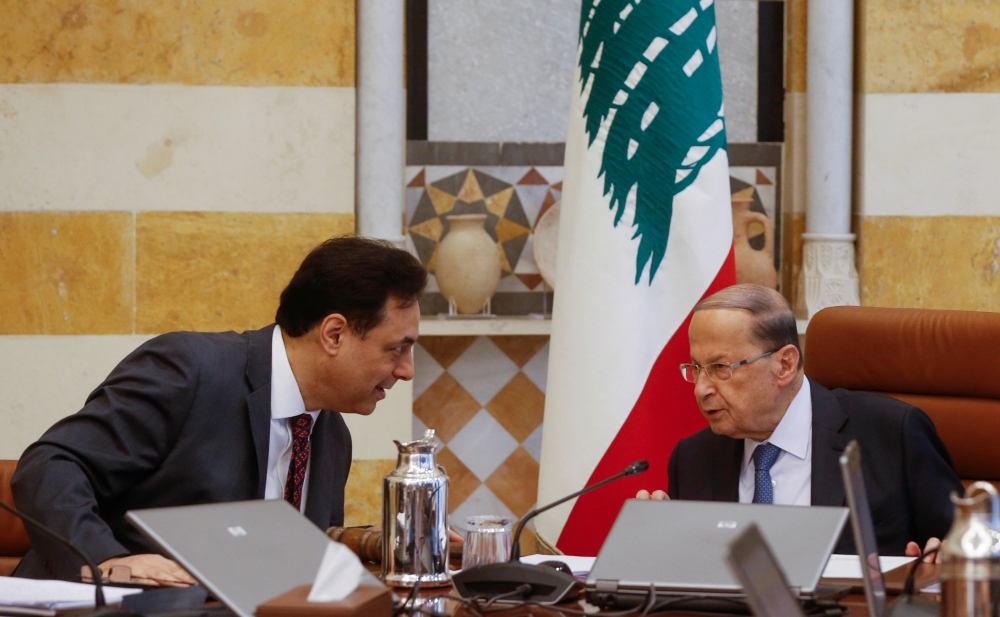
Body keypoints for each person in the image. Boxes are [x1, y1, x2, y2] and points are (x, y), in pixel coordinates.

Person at [11, 236, 426, 584]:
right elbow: (51, 464)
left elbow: (290, 553)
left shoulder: (331, 433)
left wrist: (388, 543)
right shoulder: (189, 370)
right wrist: (104, 561)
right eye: (398, 348)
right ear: (334, 334)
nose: (406, 371)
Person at [637, 284, 962, 559]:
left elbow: (981, 545)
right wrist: (666, 544)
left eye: (721, 368)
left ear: (784, 364)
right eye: (695, 369)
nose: (701, 389)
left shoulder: (891, 433)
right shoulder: (693, 459)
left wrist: (952, 556)